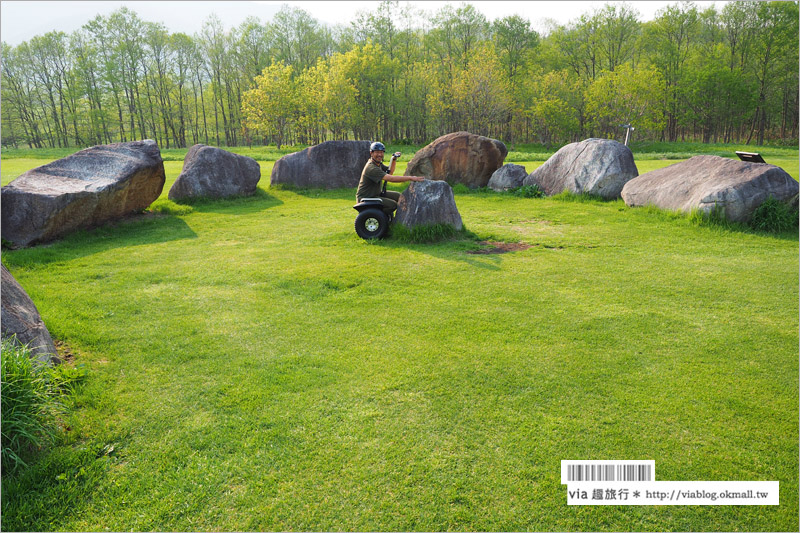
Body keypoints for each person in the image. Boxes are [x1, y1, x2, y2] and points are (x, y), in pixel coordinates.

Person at [356, 142, 425, 217]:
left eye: (381, 152)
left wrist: (394, 159)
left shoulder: (378, 164)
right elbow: (391, 178)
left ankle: (400, 219)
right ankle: (378, 217)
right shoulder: (371, 168)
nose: (379, 155)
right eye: (377, 152)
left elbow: (390, 172)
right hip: (367, 197)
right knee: (392, 205)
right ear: (371, 153)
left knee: (400, 197)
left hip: (376, 194)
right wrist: (410, 178)